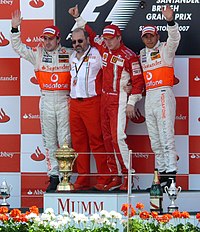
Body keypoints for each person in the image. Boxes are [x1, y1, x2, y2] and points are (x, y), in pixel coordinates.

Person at [69, 5, 145, 191]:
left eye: (112, 39)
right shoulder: (103, 47)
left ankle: (128, 175)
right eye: (107, 39)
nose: (109, 42)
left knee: (118, 138)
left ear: (119, 38)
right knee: (107, 139)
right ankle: (116, 176)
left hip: (119, 100)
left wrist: (131, 102)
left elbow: (138, 81)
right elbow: (91, 34)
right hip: (104, 100)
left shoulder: (130, 56)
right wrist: (78, 18)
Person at [11, 10, 71, 192]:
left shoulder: (68, 53)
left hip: (64, 100)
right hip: (46, 99)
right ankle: (53, 176)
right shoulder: (37, 53)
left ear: (58, 39)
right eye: (45, 38)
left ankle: (65, 176)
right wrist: (15, 28)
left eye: (50, 39)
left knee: (65, 140)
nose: (47, 42)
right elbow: (18, 47)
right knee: (49, 141)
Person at [139, 5, 181, 188]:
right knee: (155, 140)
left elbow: (175, 38)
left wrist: (170, 21)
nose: (149, 39)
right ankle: (161, 178)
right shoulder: (141, 54)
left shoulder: (165, 49)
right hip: (149, 97)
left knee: (166, 137)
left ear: (157, 36)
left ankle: (171, 178)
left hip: (163, 93)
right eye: (145, 36)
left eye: (151, 36)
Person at [69, 27, 111, 191]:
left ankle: (104, 176)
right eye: (74, 42)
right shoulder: (72, 57)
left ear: (87, 40)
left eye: (80, 41)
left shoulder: (97, 53)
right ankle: (83, 177)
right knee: (79, 143)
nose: (77, 44)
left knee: (96, 141)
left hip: (93, 101)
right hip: (74, 103)